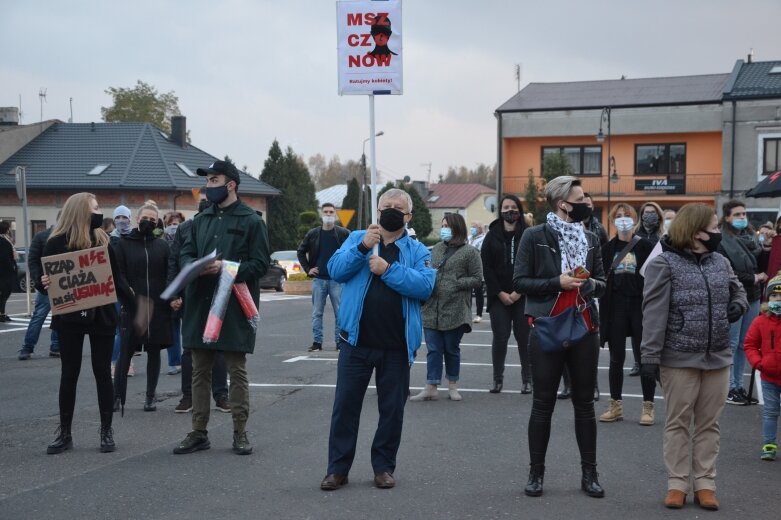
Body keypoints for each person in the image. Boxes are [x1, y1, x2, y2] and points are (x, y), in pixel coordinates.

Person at [320, 188, 435, 491]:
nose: (392, 211)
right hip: (356, 343)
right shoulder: (359, 237)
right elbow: (335, 270)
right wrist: (361, 247)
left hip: (396, 346)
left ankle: (383, 466)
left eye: (399, 207)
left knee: (392, 410)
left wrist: (388, 270)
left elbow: (424, 286)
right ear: (378, 211)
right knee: (345, 407)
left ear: (408, 216)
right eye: (387, 206)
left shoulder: (417, 250)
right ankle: (337, 468)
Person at [641, 203, 748, 510]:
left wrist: (738, 305)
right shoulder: (665, 264)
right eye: (714, 227)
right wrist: (650, 357)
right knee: (677, 423)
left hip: (717, 356)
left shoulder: (719, 261)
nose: (717, 233)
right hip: (679, 357)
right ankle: (677, 483)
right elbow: (653, 313)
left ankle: (705, 483)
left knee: (709, 424)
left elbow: (738, 289)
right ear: (696, 231)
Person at [514, 175, 607, 498]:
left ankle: (590, 474)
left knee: (584, 405)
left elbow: (603, 282)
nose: (586, 204)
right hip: (547, 326)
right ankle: (536, 473)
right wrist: (558, 282)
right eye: (580, 199)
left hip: (584, 327)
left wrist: (589, 284)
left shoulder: (592, 238)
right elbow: (521, 281)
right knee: (543, 404)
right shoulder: (534, 236)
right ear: (562, 203)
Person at [173, 160, 269, 456]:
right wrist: (195, 266)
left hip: (234, 306)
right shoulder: (199, 221)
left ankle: (240, 431)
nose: (208, 186)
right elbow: (185, 254)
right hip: (200, 304)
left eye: (214, 180)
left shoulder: (251, 221)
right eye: (208, 181)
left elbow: (260, 264)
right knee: (199, 370)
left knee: (236, 370)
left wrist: (227, 268)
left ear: (231, 185)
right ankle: (198, 431)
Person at [41, 192, 133, 454]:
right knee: (69, 373)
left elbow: (117, 278)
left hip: (101, 315)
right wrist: (43, 282)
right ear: (81, 212)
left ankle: (106, 431)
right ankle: (65, 433)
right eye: (95, 208)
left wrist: (138, 304)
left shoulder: (104, 241)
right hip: (69, 316)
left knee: (102, 372)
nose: (99, 212)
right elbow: (45, 279)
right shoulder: (56, 243)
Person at [168, 193, 231, 414]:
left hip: (218, 292)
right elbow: (175, 260)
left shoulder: (224, 224)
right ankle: (188, 396)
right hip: (191, 294)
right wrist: (175, 293)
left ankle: (221, 394)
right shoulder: (187, 228)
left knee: (219, 346)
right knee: (190, 347)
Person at [412, 213, 482, 402]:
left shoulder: (470, 252)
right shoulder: (435, 249)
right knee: (433, 349)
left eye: (447, 226)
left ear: (457, 228)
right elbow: (426, 270)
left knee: (451, 349)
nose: (444, 229)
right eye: (443, 225)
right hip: (431, 307)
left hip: (456, 309)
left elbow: (477, 279)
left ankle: (453, 385)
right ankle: (431, 386)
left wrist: (457, 283)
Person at [597, 204, 657, 425]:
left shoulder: (648, 247)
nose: (623, 219)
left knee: (645, 358)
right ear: (613, 221)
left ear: (635, 219)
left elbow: (656, 278)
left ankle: (648, 407)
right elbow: (600, 278)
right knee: (616, 359)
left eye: (627, 216)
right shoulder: (607, 248)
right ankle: (615, 406)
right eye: (618, 216)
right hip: (615, 307)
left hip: (640, 308)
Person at [113, 202, 172, 412]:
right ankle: (117, 396)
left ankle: (150, 396)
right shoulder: (123, 244)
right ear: (137, 219)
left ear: (157, 223)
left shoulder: (162, 246)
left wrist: (169, 298)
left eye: (153, 219)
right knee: (126, 352)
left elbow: (169, 274)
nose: (148, 221)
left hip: (157, 308)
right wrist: (128, 296)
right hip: (133, 306)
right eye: (145, 218)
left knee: (154, 352)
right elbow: (118, 275)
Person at [481, 194, 531, 394]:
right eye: (506, 207)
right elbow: (487, 267)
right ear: (500, 211)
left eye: (513, 207)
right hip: (498, 297)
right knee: (500, 337)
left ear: (519, 210)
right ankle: (497, 380)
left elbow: (532, 265)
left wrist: (518, 291)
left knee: (524, 338)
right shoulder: (491, 235)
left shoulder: (529, 234)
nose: (510, 211)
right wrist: (500, 293)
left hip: (523, 296)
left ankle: (528, 380)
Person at [718, 199, 766, 405]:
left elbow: (760, 263)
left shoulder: (752, 239)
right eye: (737, 215)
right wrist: (753, 278)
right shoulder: (721, 241)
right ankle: (727, 388)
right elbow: (727, 270)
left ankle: (737, 385)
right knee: (731, 342)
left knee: (744, 344)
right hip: (733, 296)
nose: (741, 218)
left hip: (753, 296)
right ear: (727, 217)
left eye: (744, 214)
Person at [297, 202, 350, 352]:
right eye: (325, 212)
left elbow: (352, 252)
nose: (328, 214)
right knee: (317, 313)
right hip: (319, 279)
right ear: (321, 214)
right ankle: (317, 343)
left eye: (331, 212)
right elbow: (301, 251)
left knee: (340, 313)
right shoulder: (313, 234)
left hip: (337, 280)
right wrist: (308, 269)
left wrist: (346, 271)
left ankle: (340, 343)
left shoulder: (343, 233)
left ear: (335, 214)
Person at [745, 275, 781, 462]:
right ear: (768, 298)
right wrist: (758, 363)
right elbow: (750, 344)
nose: (778, 300)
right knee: (770, 412)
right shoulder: (760, 321)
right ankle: (769, 445)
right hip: (768, 376)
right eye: (774, 296)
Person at [18, 217, 60, 359]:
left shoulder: (66, 237)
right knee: (40, 316)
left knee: (58, 316)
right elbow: (33, 260)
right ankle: (28, 347)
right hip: (46, 285)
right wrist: (38, 280)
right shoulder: (42, 237)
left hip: (62, 285)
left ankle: (55, 346)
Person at [109, 205, 134, 376]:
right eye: (117, 218)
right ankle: (114, 362)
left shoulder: (134, 238)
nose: (121, 221)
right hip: (116, 290)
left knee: (130, 329)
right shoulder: (109, 240)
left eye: (124, 217)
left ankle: (128, 362)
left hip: (132, 289)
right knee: (119, 329)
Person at [162, 211, 185, 375]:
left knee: (190, 326)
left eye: (176, 224)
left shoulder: (186, 241)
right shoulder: (161, 243)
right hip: (170, 290)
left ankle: (190, 360)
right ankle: (174, 362)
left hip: (186, 288)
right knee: (172, 327)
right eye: (169, 224)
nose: (172, 228)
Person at [468, 221, 486, 323]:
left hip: (478, 268)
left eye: (474, 227)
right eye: (471, 227)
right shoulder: (469, 238)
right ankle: (467, 313)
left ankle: (479, 314)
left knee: (478, 292)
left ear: (479, 228)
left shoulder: (484, 238)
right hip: (468, 269)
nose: (472, 229)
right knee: (467, 293)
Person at [0, 221, 18, 322]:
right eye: (9, 228)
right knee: (5, 293)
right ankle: (1, 314)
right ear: (6, 230)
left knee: (3, 294)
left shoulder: (5, 240)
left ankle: (2, 313)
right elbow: (5, 258)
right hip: (5, 273)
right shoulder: (4, 242)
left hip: (4, 272)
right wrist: (12, 267)